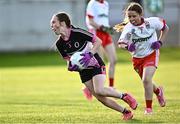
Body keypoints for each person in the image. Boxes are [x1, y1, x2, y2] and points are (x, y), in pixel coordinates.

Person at [50, 12, 138, 120]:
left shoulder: (77, 32)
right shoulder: (59, 44)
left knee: (99, 90)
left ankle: (124, 96)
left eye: (54, 22)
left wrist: (90, 54)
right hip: (83, 71)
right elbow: (68, 60)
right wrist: (70, 66)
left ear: (62, 23)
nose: (52, 25)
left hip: (95, 63)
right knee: (99, 98)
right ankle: (126, 112)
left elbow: (98, 41)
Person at [115, 2, 169, 114]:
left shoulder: (152, 22)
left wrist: (160, 42)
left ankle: (148, 109)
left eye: (134, 16)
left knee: (146, 80)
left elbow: (165, 28)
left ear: (140, 14)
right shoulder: (128, 28)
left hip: (151, 54)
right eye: (129, 16)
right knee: (147, 81)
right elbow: (120, 44)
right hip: (137, 59)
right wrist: (128, 47)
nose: (132, 19)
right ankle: (158, 91)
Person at [83, 0, 117, 101]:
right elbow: (91, 22)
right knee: (99, 63)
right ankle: (88, 87)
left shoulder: (106, 3)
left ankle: (111, 86)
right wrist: (102, 28)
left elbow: (103, 20)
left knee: (113, 59)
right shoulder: (92, 3)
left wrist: (108, 28)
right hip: (96, 32)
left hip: (105, 33)